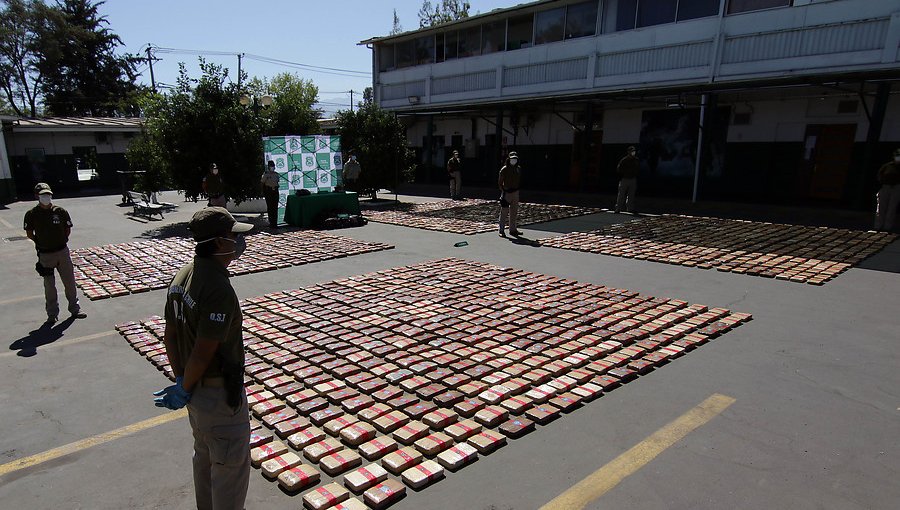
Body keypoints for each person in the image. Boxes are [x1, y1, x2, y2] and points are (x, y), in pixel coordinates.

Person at [153, 207, 253, 510]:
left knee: (205, 457)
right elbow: (204, 348)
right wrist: (189, 381)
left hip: (196, 393)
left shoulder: (183, 274)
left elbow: (170, 334)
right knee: (229, 467)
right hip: (218, 394)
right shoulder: (217, 287)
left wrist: (182, 380)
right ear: (220, 242)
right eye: (234, 236)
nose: (239, 242)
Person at [24, 183, 86, 324]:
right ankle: (52, 314)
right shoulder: (32, 214)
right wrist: (41, 242)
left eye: (48, 195)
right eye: (43, 195)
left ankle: (75, 309)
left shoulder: (60, 211)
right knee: (49, 286)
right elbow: (29, 233)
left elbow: (67, 229)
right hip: (45, 255)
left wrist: (62, 240)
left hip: (62, 251)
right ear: (37, 196)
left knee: (69, 282)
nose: (46, 197)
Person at [874, 148, 900, 232]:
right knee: (881, 207)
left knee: (891, 208)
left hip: (896, 187)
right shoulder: (888, 165)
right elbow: (880, 174)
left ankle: (887, 227)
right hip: (886, 186)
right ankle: (878, 226)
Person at [498, 151, 522, 237]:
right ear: (509, 159)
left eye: (515, 158)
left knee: (514, 212)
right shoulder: (504, 169)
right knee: (504, 211)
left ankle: (513, 229)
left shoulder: (518, 168)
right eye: (512, 159)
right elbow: (500, 182)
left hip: (515, 192)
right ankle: (501, 230)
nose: (514, 160)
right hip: (507, 192)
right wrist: (503, 191)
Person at [615, 145, 639, 214]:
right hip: (625, 179)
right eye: (632, 151)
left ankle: (630, 208)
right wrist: (625, 173)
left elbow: (637, 169)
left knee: (631, 195)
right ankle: (618, 208)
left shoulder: (636, 160)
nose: (633, 152)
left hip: (633, 179)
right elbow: (619, 169)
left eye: (634, 151)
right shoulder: (624, 160)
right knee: (621, 195)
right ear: (628, 152)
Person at [260, 160, 281, 229]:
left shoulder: (276, 174)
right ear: (268, 167)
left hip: (275, 191)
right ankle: (271, 223)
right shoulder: (266, 174)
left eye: (273, 166)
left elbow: (277, 182)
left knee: (275, 208)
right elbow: (262, 183)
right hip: (268, 191)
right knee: (270, 207)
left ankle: (275, 223)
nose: (272, 167)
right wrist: (263, 192)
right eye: (271, 166)